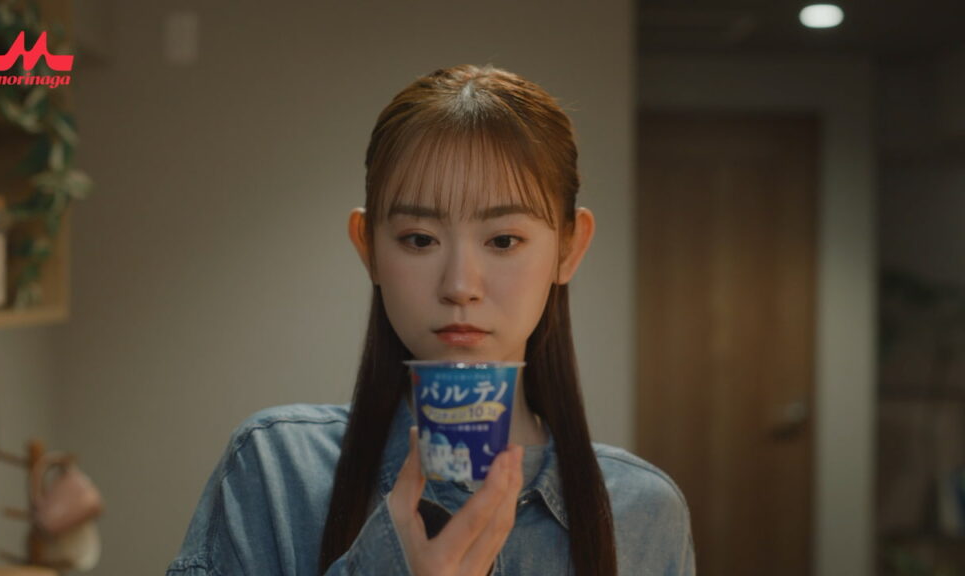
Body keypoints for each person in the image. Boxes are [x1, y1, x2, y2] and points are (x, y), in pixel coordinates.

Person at [166, 63, 695, 576]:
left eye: (503, 241)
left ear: (569, 248)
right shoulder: (278, 472)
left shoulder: (643, 513)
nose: (460, 285)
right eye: (419, 239)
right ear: (368, 248)